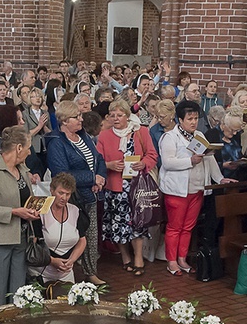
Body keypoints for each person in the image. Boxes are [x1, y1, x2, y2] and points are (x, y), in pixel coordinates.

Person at [159, 101, 233, 276]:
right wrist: (189, 161)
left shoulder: (199, 135)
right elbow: (167, 163)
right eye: (189, 118)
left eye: (196, 118)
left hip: (197, 188)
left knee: (188, 227)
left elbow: (209, 159)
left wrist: (220, 178)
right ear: (180, 119)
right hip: (177, 190)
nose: (193, 122)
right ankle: (171, 261)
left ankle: (182, 259)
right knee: (175, 227)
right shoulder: (170, 137)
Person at [0, 126, 39, 305]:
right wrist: (13, 212)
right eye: (28, 148)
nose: (29, 152)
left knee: (18, 290)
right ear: (18, 148)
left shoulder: (23, 169)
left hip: (22, 235)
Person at [47, 101, 107, 285]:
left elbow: (99, 158)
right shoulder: (56, 142)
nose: (81, 119)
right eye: (76, 117)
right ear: (64, 121)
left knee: (90, 235)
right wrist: (91, 178)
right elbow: (61, 173)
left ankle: (91, 272)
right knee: (74, 235)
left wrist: (100, 176)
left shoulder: (83, 136)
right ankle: (64, 270)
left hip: (90, 194)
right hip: (72, 197)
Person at [97, 99, 158, 276]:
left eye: (120, 115)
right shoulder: (104, 136)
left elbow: (152, 155)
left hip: (136, 187)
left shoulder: (141, 132)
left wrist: (144, 163)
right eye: (112, 115)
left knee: (137, 223)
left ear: (127, 115)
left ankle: (138, 257)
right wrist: (109, 165)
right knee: (118, 225)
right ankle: (125, 257)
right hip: (115, 188)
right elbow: (98, 161)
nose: (116, 118)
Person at [28, 173, 87, 283]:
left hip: (66, 273)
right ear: (51, 190)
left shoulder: (75, 211)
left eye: (68, 194)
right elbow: (33, 244)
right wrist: (52, 261)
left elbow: (82, 240)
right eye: (61, 193)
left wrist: (71, 260)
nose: (64, 198)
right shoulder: (40, 212)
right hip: (41, 273)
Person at [22, 88, 51, 177]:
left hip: (45, 146)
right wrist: (39, 126)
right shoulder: (25, 114)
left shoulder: (45, 113)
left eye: (39, 96)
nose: (37, 99)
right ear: (30, 99)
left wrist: (44, 126)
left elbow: (50, 132)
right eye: (34, 97)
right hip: (33, 146)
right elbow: (26, 134)